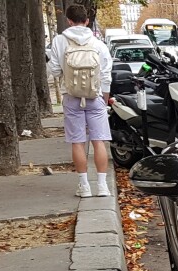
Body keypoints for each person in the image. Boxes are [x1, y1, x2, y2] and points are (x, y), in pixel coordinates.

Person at [47, 4, 112, 198]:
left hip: (71, 96)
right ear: (87, 21)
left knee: (77, 141)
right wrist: (105, 98)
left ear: (68, 21)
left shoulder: (59, 41)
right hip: (95, 96)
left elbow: (54, 70)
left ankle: (84, 186)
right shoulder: (98, 43)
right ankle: (102, 186)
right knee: (98, 141)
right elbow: (106, 73)